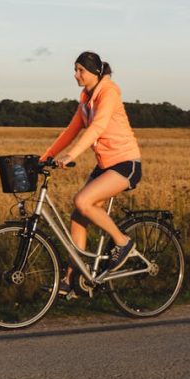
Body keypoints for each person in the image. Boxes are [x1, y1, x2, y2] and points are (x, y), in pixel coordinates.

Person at [40, 51, 142, 297]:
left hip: (125, 164)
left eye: (80, 70)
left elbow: (97, 127)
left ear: (95, 72)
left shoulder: (108, 93)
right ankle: (73, 279)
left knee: (82, 201)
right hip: (105, 165)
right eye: (75, 70)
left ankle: (123, 242)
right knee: (78, 214)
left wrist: (72, 155)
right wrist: (45, 157)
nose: (76, 75)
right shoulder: (86, 98)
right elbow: (71, 130)